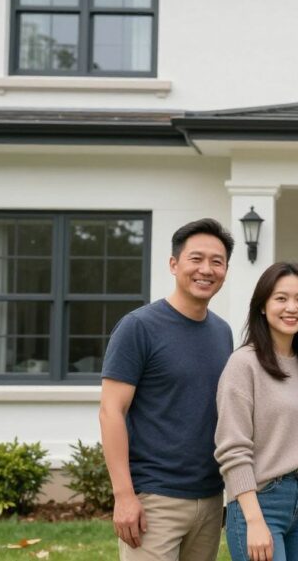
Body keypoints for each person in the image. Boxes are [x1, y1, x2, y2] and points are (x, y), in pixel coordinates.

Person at [100, 218, 235, 561]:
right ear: (174, 264)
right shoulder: (138, 327)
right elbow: (111, 411)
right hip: (155, 500)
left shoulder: (222, 332)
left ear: (226, 270)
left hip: (209, 497)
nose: (207, 269)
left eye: (217, 262)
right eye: (196, 259)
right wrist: (124, 496)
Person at [215, 262, 298, 561]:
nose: (292, 307)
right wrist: (253, 519)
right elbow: (233, 448)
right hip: (261, 499)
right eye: (281, 298)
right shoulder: (244, 365)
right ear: (263, 306)